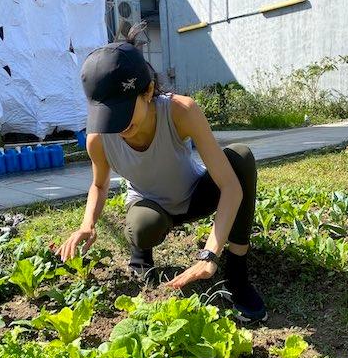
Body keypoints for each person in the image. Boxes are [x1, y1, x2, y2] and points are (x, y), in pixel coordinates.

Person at [57, 29, 267, 322]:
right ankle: (141, 257)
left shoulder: (181, 111)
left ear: (148, 91)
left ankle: (237, 275)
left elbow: (229, 187)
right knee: (143, 226)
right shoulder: (99, 139)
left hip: (193, 194)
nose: (117, 126)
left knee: (240, 157)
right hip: (151, 205)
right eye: (108, 116)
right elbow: (99, 184)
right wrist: (87, 224)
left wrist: (210, 254)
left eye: (122, 113)